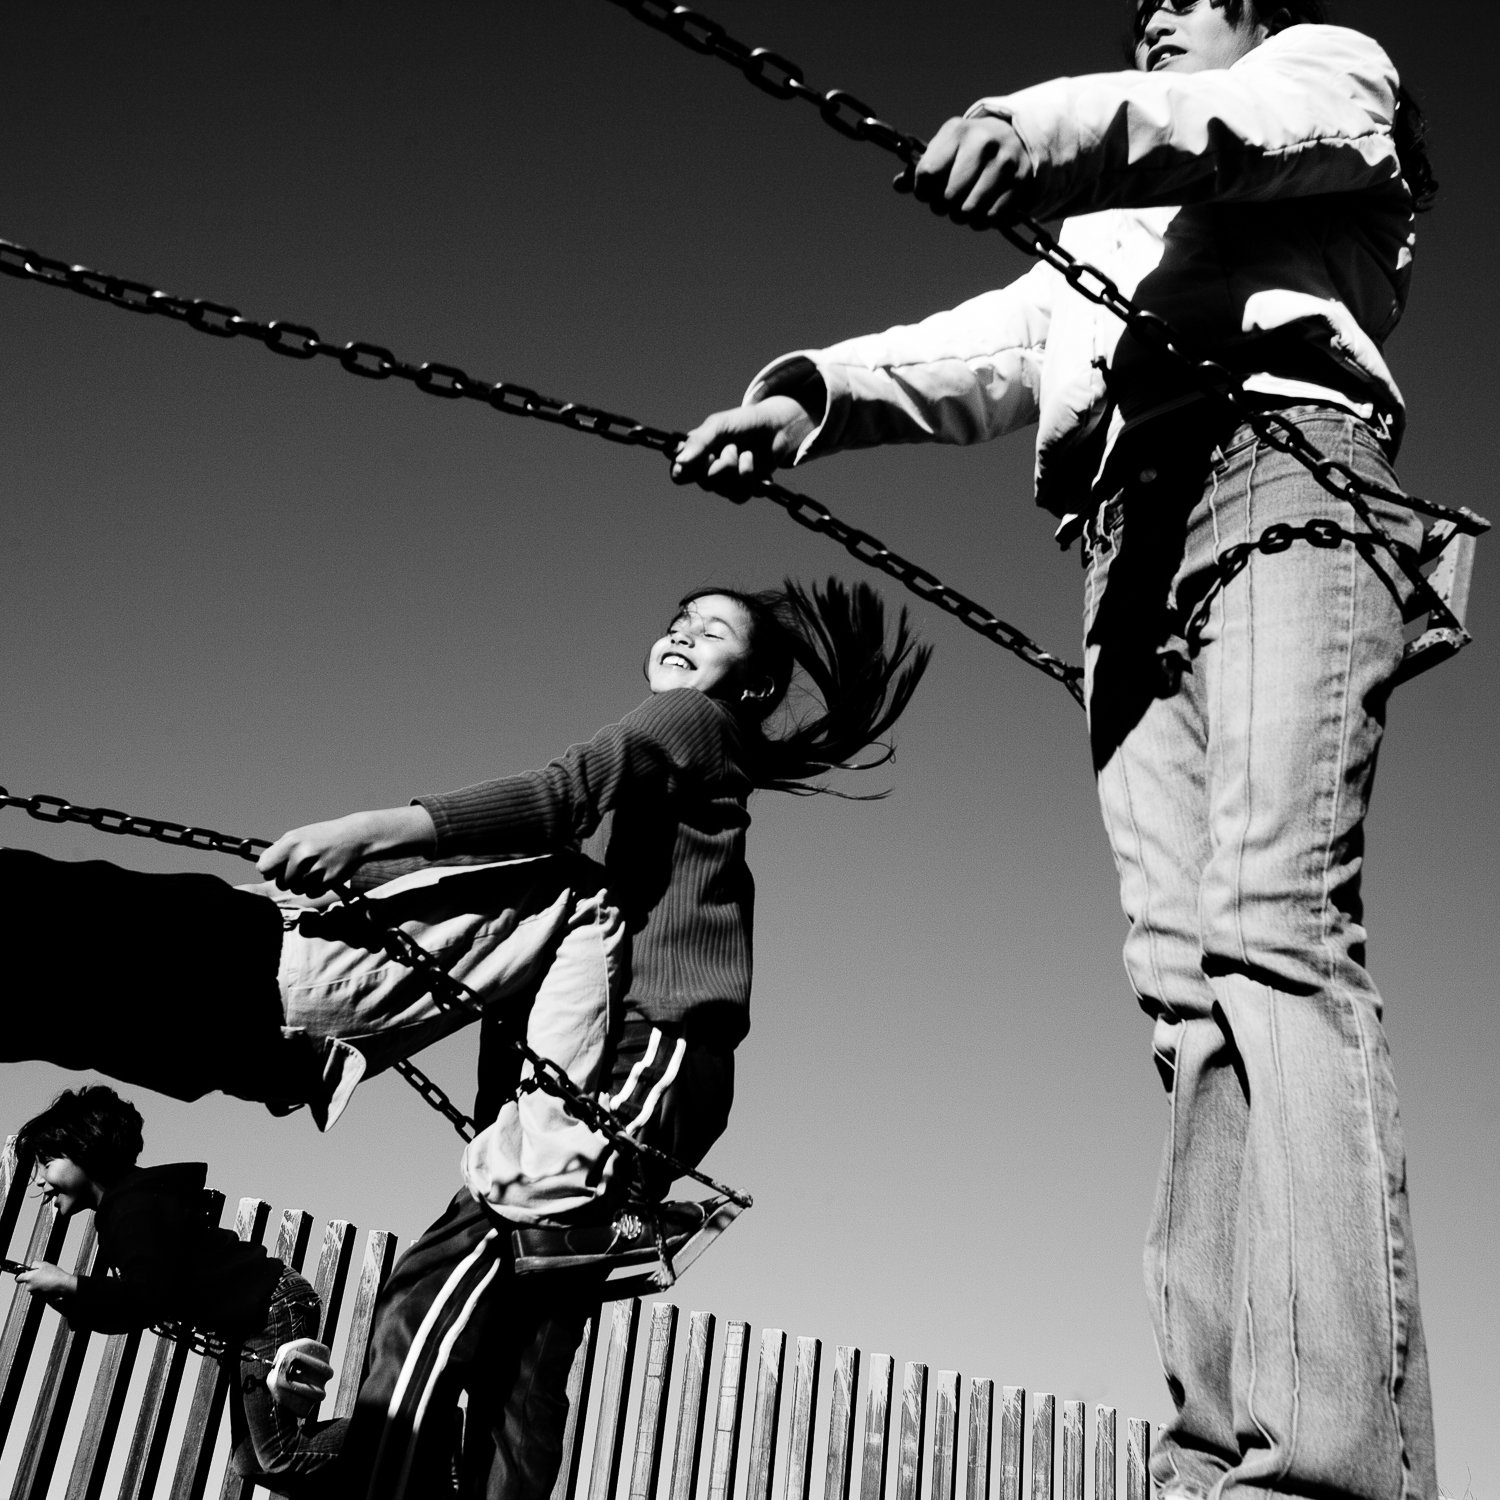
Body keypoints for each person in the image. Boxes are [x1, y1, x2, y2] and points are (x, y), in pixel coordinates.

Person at [673, 6, 1438, 1499]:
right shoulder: (1114, 214)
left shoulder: (1325, 81)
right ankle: (1214, 1452)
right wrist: (805, 398)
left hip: (1281, 475)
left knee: (1276, 930)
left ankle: (1329, 1462)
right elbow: (990, 343)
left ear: (1256, 7)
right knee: (1183, 995)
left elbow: (1245, 127)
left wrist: (1039, 130)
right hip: (1119, 541)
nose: (1156, 10)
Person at [313, 578, 928, 1500]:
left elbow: (567, 791)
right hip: (660, 1067)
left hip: (657, 1052)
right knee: (523, 1351)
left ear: (753, 685)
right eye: (675, 622)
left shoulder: (690, 721)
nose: (681, 635)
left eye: (710, 629)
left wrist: (382, 831)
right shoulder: (698, 768)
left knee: (429, 1287)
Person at [9, 1085, 343, 1494]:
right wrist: (69, 1297)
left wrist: (72, 1283)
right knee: (253, 1462)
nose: (40, 1180)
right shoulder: (124, 1210)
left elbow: (147, 1296)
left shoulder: (133, 1209)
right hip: (257, 1315)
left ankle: (413, 1430)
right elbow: (134, 1309)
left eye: (47, 1161)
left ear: (86, 1149)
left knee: (278, 1455)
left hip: (271, 1306)